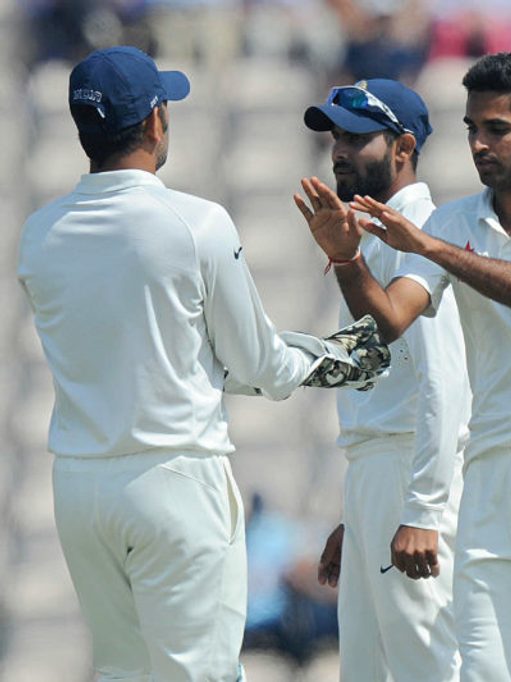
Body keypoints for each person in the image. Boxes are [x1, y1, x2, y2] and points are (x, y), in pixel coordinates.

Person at [16, 46, 386, 681]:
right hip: (174, 479)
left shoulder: (39, 234)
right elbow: (263, 365)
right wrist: (344, 355)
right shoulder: (196, 224)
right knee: (203, 674)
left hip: (80, 488)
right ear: (157, 121)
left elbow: (162, 351)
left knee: (122, 674)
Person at [294, 51, 511, 682]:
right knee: (482, 669)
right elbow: (392, 320)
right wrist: (349, 262)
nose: (480, 145)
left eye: (497, 129)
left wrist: (429, 246)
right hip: (489, 469)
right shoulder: (455, 222)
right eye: (472, 130)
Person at [300, 79, 470, 682]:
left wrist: (420, 507)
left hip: (415, 476)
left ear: (402, 147)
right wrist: (360, 515)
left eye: (355, 137)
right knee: (367, 670)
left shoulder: (427, 231)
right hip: (380, 476)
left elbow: (447, 384)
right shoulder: (369, 234)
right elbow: (381, 381)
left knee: (429, 665)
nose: (338, 150)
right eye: (334, 137)